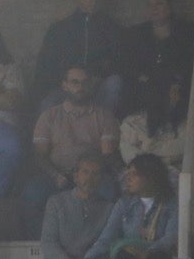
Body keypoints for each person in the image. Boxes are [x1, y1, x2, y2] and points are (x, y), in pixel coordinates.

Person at [23, 65, 121, 237]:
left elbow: (107, 155)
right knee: (32, 193)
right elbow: (40, 154)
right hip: (56, 174)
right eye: (74, 82)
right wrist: (55, 175)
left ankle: (94, 242)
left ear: (91, 85)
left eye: (84, 82)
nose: (80, 87)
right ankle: (45, 243)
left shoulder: (104, 116)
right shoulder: (49, 116)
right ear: (64, 85)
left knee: (109, 191)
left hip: (92, 174)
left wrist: (87, 174)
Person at [85, 154, 179, 259]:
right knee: (123, 256)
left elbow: (170, 237)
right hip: (129, 258)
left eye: (134, 174)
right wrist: (89, 258)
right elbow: (108, 236)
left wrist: (147, 251)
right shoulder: (124, 203)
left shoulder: (170, 203)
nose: (128, 179)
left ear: (150, 176)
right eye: (127, 174)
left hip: (158, 258)